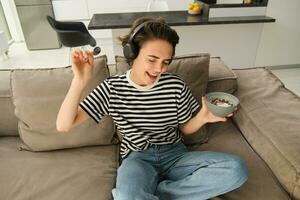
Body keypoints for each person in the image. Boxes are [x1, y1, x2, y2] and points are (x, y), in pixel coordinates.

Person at [56, 17, 248, 200]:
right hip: (138, 159)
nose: (159, 69)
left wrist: (202, 118)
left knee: (236, 169)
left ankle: (156, 194)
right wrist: (80, 80)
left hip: (175, 155)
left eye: (166, 62)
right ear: (131, 53)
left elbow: (185, 128)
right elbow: (63, 126)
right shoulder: (111, 88)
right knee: (128, 196)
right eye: (152, 59)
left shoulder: (175, 85)